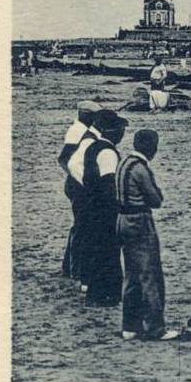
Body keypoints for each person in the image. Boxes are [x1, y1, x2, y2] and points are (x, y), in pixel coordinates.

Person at [116, 129, 178, 341]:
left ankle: (130, 326)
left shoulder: (123, 163)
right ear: (151, 147)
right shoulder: (141, 169)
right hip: (139, 221)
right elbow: (156, 199)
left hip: (122, 220)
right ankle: (155, 327)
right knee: (150, 274)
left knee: (132, 275)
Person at [77, 109, 128, 306]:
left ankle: (95, 291)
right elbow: (108, 184)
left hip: (90, 204)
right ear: (113, 131)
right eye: (121, 129)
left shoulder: (93, 147)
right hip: (103, 209)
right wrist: (117, 207)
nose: (123, 133)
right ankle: (106, 294)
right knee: (108, 250)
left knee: (98, 249)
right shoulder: (107, 153)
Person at [59, 100, 101, 284]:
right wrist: (80, 178)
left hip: (76, 182)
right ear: (86, 115)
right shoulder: (77, 132)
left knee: (80, 225)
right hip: (77, 184)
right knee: (81, 226)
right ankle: (74, 268)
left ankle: (70, 267)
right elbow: (64, 159)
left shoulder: (79, 130)